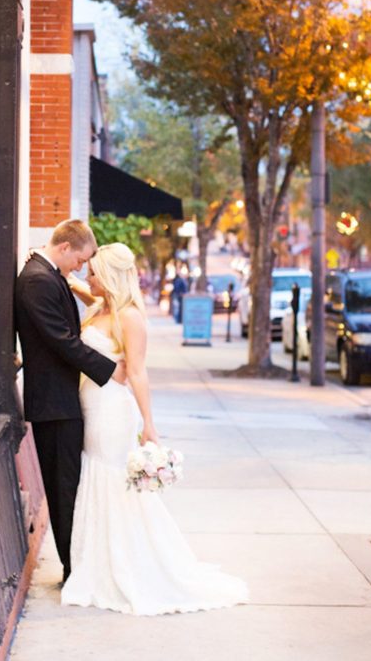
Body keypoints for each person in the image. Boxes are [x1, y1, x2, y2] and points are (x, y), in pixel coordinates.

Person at [61, 242, 248, 615]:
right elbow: (81, 288)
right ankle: (98, 563)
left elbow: (137, 372)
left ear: (110, 277)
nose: (88, 276)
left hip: (112, 411)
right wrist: (60, 272)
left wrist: (150, 425)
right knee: (97, 477)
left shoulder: (129, 316)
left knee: (111, 481)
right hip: (90, 404)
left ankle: (123, 566)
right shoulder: (102, 306)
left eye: (94, 272)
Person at [14, 219, 126, 582]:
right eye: (80, 260)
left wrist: (81, 286)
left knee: (70, 487)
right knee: (63, 491)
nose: (80, 267)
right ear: (64, 248)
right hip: (54, 402)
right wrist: (110, 370)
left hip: (63, 399)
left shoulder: (49, 275)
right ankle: (73, 570)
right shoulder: (37, 280)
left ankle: (78, 564)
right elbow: (62, 340)